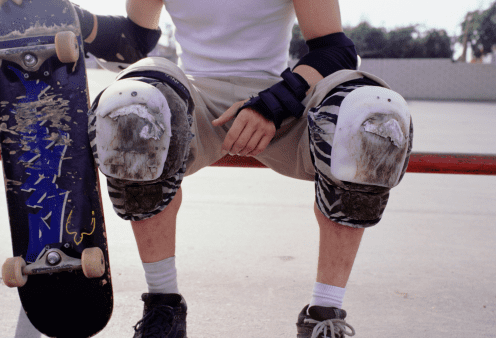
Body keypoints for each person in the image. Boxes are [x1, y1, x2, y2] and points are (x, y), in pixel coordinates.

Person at [75, 0, 413, 337]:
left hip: (280, 100)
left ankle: (324, 315)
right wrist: (67, 16)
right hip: (197, 102)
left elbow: (335, 50)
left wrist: (274, 104)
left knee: (372, 118)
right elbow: (133, 39)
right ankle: (163, 308)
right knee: (132, 109)